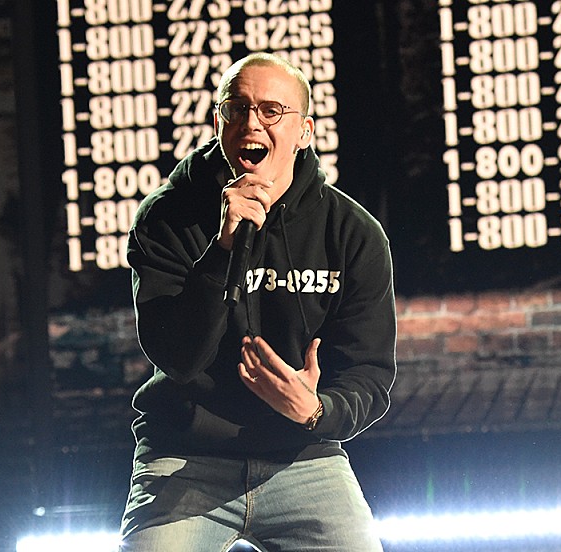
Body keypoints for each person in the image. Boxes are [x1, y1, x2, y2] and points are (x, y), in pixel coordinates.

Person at [117, 52, 397, 552]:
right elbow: (178, 357)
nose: (252, 123)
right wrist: (222, 249)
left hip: (302, 455)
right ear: (218, 122)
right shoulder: (166, 219)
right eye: (237, 108)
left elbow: (369, 373)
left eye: (271, 111)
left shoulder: (352, 233)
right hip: (186, 457)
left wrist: (315, 410)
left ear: (304, 131)